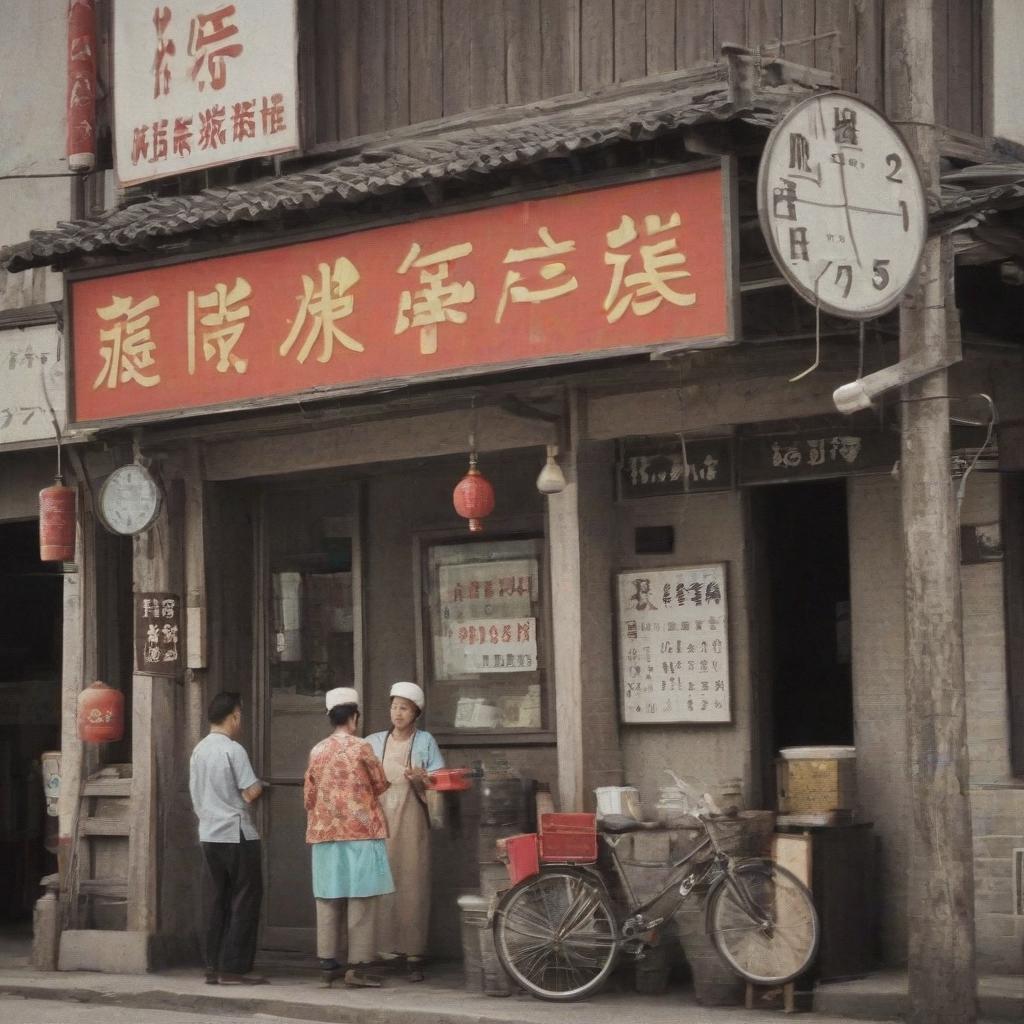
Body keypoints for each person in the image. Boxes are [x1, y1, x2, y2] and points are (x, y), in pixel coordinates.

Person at [304, 686, 393, 988]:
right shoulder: (363, 748)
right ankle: (359, 966)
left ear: (331, 717)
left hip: (325, 833)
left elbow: (309, 795)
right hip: (361, 832)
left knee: (328, 896)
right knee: (361, 898)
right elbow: (381, 783)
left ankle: (328, 964)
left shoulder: (317, 751)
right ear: (354, 717)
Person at [366, 681, 444, 982]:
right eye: (394, 706)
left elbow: (441, 783)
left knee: (413, 883)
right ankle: (383, 951)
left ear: (416, 713)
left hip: (412, 819)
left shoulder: (426, 742)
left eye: (404, 708)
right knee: (381, 886)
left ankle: (414, 954)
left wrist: (422, 779)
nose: (397, 713)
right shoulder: (373, 741)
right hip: (380, 819)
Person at [188, 691, 267, 985]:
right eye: (240, 715)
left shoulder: (198, 751)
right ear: (234, 715)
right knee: (244, 899)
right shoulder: (233, 750)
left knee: (215, 900)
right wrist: (261, 786)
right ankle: (234, 967)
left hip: (208, 833)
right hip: (237, 833)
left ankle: (212, 965)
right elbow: (250, 791)